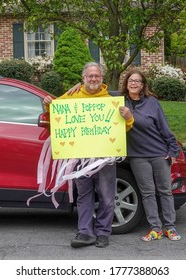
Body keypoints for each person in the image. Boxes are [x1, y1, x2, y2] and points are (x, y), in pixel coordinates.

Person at [68, 69, 182, 242]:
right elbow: (96, 89)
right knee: (147, 193)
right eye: (131, 81)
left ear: (143, 85)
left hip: (158, 152)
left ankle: (170, 227)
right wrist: (80, 85)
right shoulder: (118, 100)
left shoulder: (152, 103)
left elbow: (164, 128)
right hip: (137, 155)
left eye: (137, 81)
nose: (134, 84)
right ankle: (155, 228)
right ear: (126, 84)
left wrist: (172, 150)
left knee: (165, 191)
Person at [42, 62, 133, 248]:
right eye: (90, 76)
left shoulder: (110, 100)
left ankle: (103, 233)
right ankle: (85, 232)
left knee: (107, 197)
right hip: (80, 157)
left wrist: (128, 118)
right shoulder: (72, 95)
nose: (93, 79)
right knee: (84, 196)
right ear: (83, 78)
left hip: (105, 157)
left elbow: (123, 128)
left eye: (97, 76)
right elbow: (56, 114)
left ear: (102, 79)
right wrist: (48, 106)